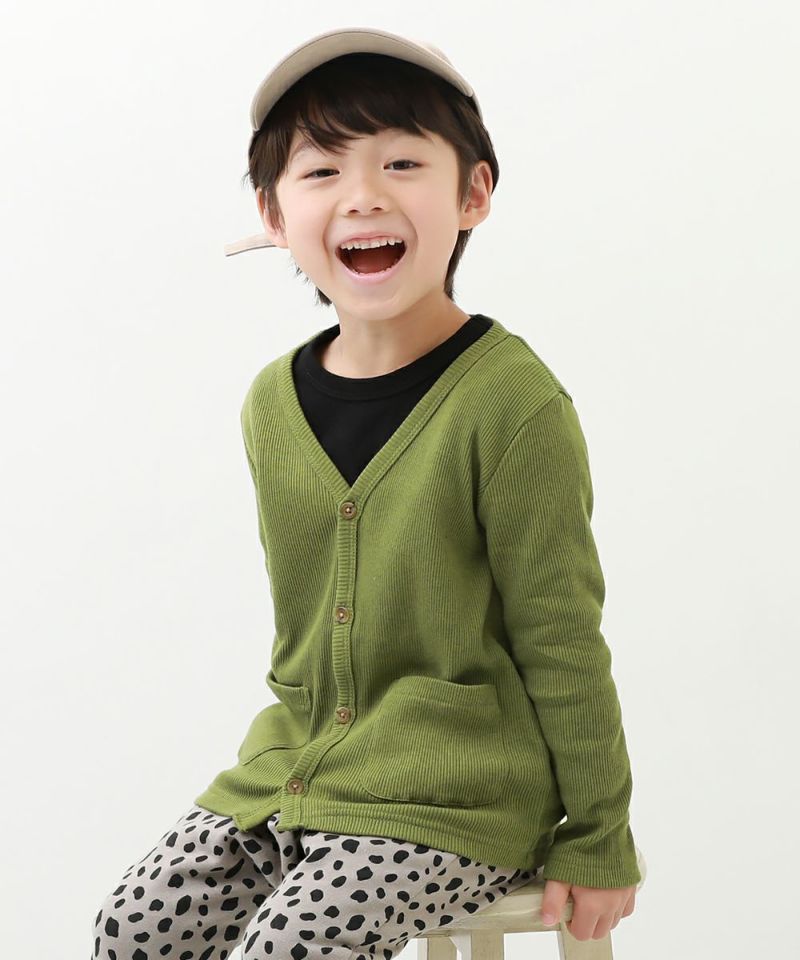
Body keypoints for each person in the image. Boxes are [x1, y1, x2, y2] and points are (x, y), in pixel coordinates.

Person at [90, 26, 643, 960]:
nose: (364, 196)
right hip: (299, 767)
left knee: (292, 946)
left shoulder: (513, 403)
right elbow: (309, 632)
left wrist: (599, 832)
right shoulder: (272, 403)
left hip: (460, 796)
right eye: (322, 171)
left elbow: (561, 635)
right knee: (136, 925)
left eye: (401, 162)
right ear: (274, 214)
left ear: (473, 193)